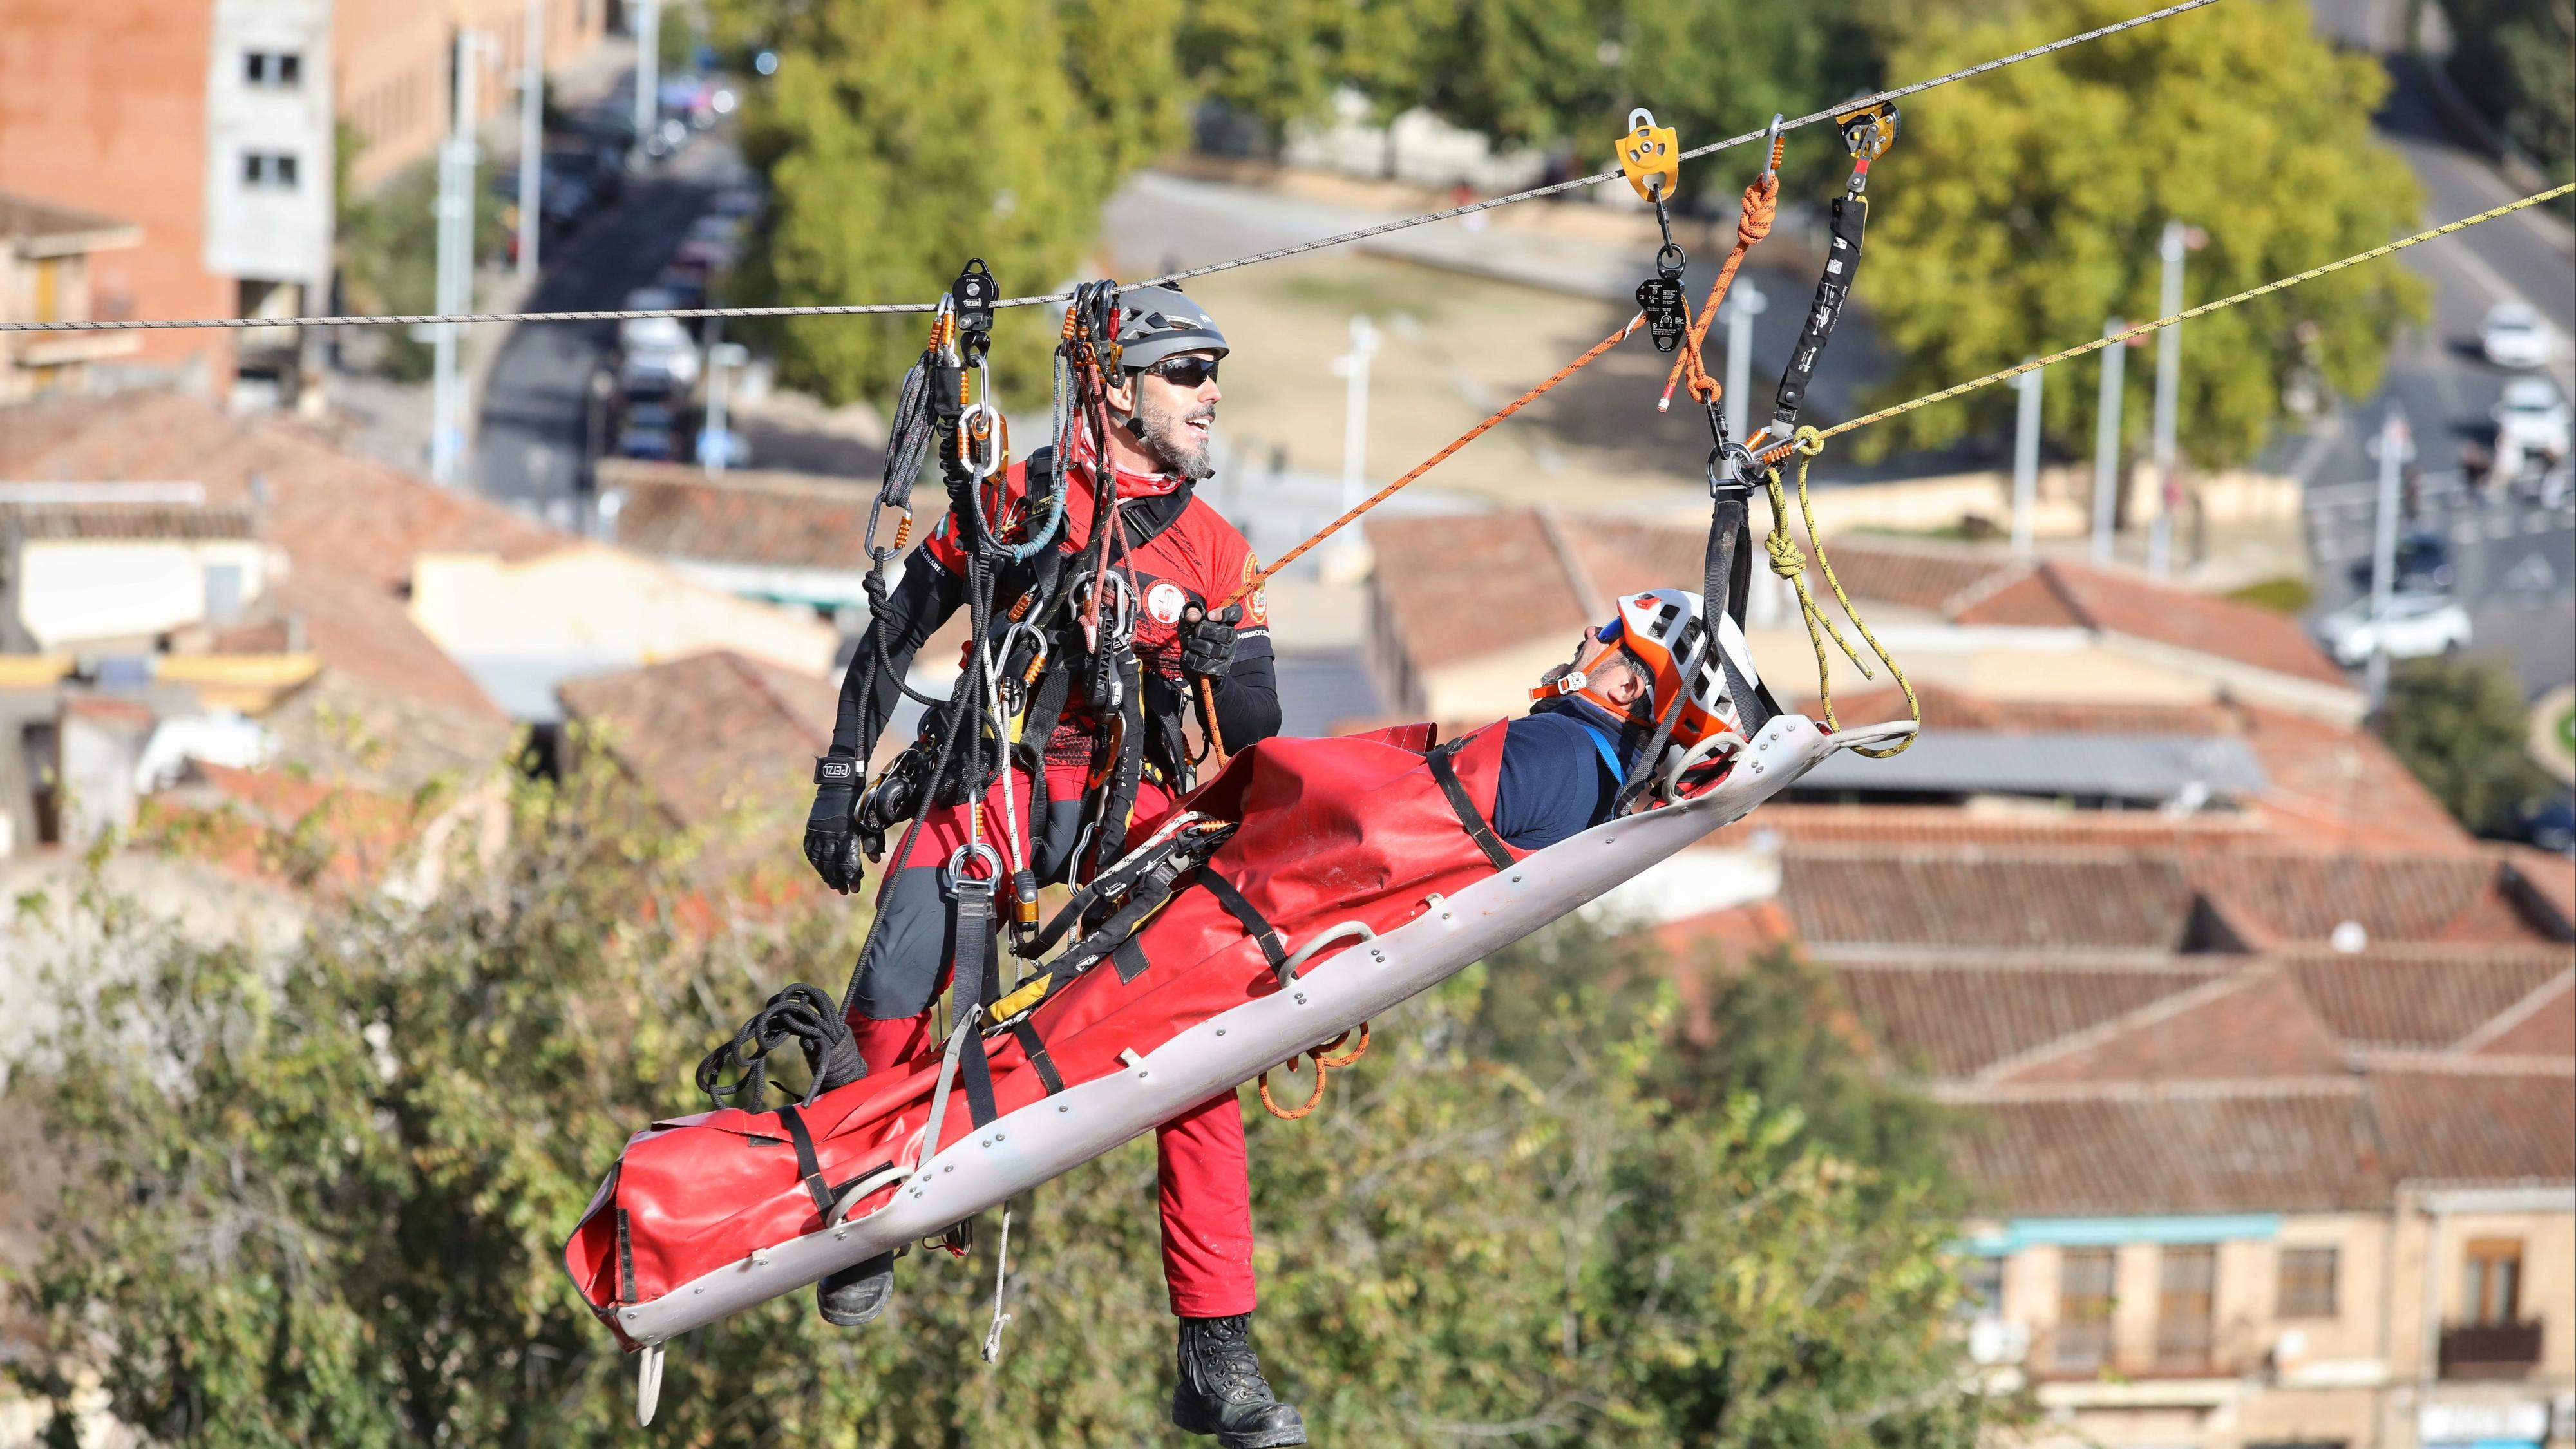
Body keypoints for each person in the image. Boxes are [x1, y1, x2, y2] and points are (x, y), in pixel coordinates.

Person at [799, 287, 1300, 1442]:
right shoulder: (1017, 502)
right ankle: (861, 1206)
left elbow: (1258, 724)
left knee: (1204, 1041)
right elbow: (897, 631)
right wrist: (840, 773)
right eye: (1187, 373)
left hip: (1135, 800)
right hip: (1006, 777)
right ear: (1115, 386)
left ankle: (1217, 1350)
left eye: (1214, 372)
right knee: (892, 979)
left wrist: (1210, 658)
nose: (1211, 393)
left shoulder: (1219, 552)